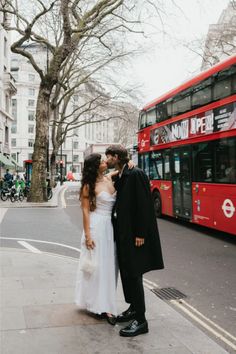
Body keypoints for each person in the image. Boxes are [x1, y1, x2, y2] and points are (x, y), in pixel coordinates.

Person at [105, 144, 164, 337]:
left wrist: (140, 233)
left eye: (109, 157)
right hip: (123, 234)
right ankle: (133, 308)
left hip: (134, 235)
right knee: (127, 273)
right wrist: (120, 171)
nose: (107, 161)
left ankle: (141, 320)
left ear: (116, 157)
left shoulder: (136, 174)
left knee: (135, 274)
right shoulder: (124, 173)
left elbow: (144, 206)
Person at [75, 153, 119, 325]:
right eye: (101, 161)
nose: (105, 162)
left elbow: (120, 169)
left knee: (109, 266)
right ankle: (97, 305)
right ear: (95, 166)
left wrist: (129, 161)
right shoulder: (88, 185)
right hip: (96, 227)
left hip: (110, 227)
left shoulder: (108, 177)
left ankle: (106, 303)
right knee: (96, 267)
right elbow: (85, 211)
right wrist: (87, 236)